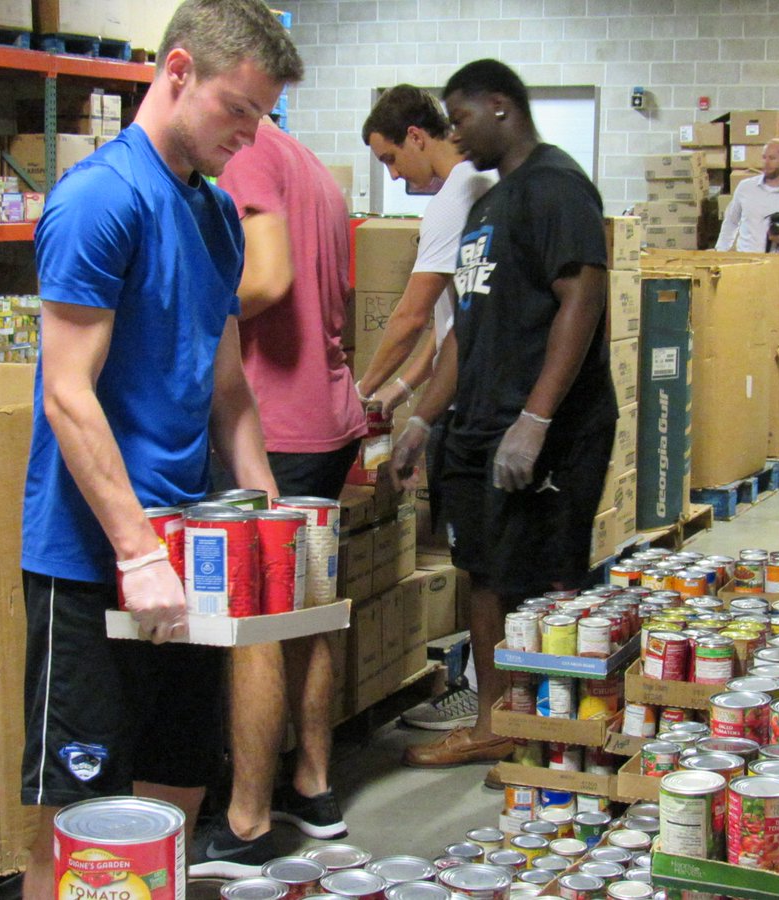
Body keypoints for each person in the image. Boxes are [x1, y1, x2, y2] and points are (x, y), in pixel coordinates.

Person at [17, 2, 302, 896]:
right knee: (80, 831)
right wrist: (137, 550)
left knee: (177, 792)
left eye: (262, 120)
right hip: (94, 562)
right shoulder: (102, 198)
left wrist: (272, 521)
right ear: (178, 70)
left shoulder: (217, 216)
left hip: (188, 554)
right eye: (237, 112)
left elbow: (226, 391)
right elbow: (68, 392)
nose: (249, 138)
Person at [392, 60, 617, 768]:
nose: (455, 137)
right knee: (484, 575)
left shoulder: (555, 187)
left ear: (500, 107)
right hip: (478, 428)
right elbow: (468, 325)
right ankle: (498, 722)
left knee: (543, 587)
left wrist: (538, 419)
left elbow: (582, 296)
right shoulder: (492, 204)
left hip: (546, 432)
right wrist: (425, 418)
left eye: (459, 121)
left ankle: (553, 739)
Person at [189, 117, 364, 876]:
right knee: (307, 609)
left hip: (274, 424)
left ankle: (247, 822)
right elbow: (342, 300)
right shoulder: (312, 164)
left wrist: (181, 323)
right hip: (327, 417)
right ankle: (313, 786)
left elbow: (264, 279)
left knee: (254, 621)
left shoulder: (251, 153)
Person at [358, 85, 496, 733]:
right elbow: (447, 330)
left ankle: (479, 692)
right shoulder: (473, 188)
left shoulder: (453, 199)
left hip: (472, 406)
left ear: (418, 135)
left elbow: (414, 314)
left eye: (390, 159)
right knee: (481, 553)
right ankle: (483, 682)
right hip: (462, 386)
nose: (392, 175)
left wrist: (357, 393)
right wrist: (394, 394)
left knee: (479, 557)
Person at [715, 139, 779, 253]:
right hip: (746, 262)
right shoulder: (745, 188)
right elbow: (731, 221)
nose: (766, 163)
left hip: (778, 265)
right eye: (764, 157)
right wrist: (721, 251)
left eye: (772, 158)